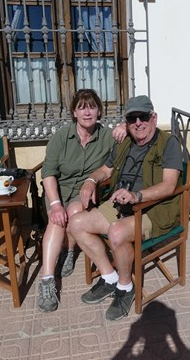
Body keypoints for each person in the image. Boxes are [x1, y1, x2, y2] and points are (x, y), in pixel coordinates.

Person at [69, 95, 184, 320]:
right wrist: (91, 181)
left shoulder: (169, 144)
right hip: (121, 205)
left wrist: (136, 196)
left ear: (154, 118)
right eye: (132, 118)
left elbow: (169, 185)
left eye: (143, 117)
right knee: (76, 223)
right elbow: (105, 170)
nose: (138, 122)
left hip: (154, 209)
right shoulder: (125, 142)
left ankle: (125, 286)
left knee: (117, 232)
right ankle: (109, 276)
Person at [37, 89, 126, 312]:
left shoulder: (106, 136)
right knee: (57, 218)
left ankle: (68, 249)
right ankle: (47, 279)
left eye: (92, 106)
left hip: (84, 193)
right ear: (74, 113)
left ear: (99, 111)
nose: (87, 112)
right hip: (57, 190)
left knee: (75, 211)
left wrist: (124, 127)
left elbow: (134, 138)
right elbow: (47, 172)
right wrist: (55, 204)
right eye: (81, 107)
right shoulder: (62, 136)